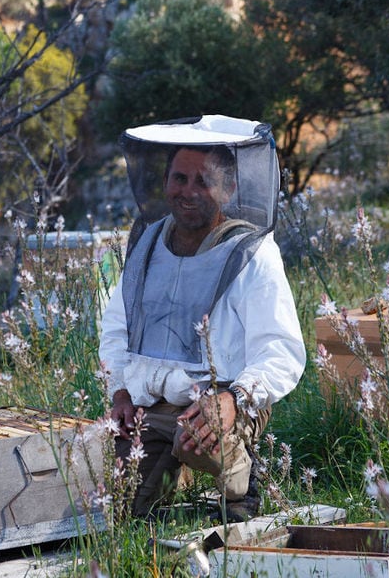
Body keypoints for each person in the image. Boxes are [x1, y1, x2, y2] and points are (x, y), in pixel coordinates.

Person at [99, 115, 306, 521]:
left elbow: (280, 350)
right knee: (123, 510)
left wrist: (233, 400)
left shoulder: (252, 252)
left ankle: (240, 482)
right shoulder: (146, 246)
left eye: (202, 181)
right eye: (179, 179)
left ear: (228, 189)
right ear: (164, 183)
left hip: (220, 399)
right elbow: (116, 329)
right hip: (152, 405)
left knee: (196, 436)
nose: (187, 191)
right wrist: (120, 394)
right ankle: (177, 476)